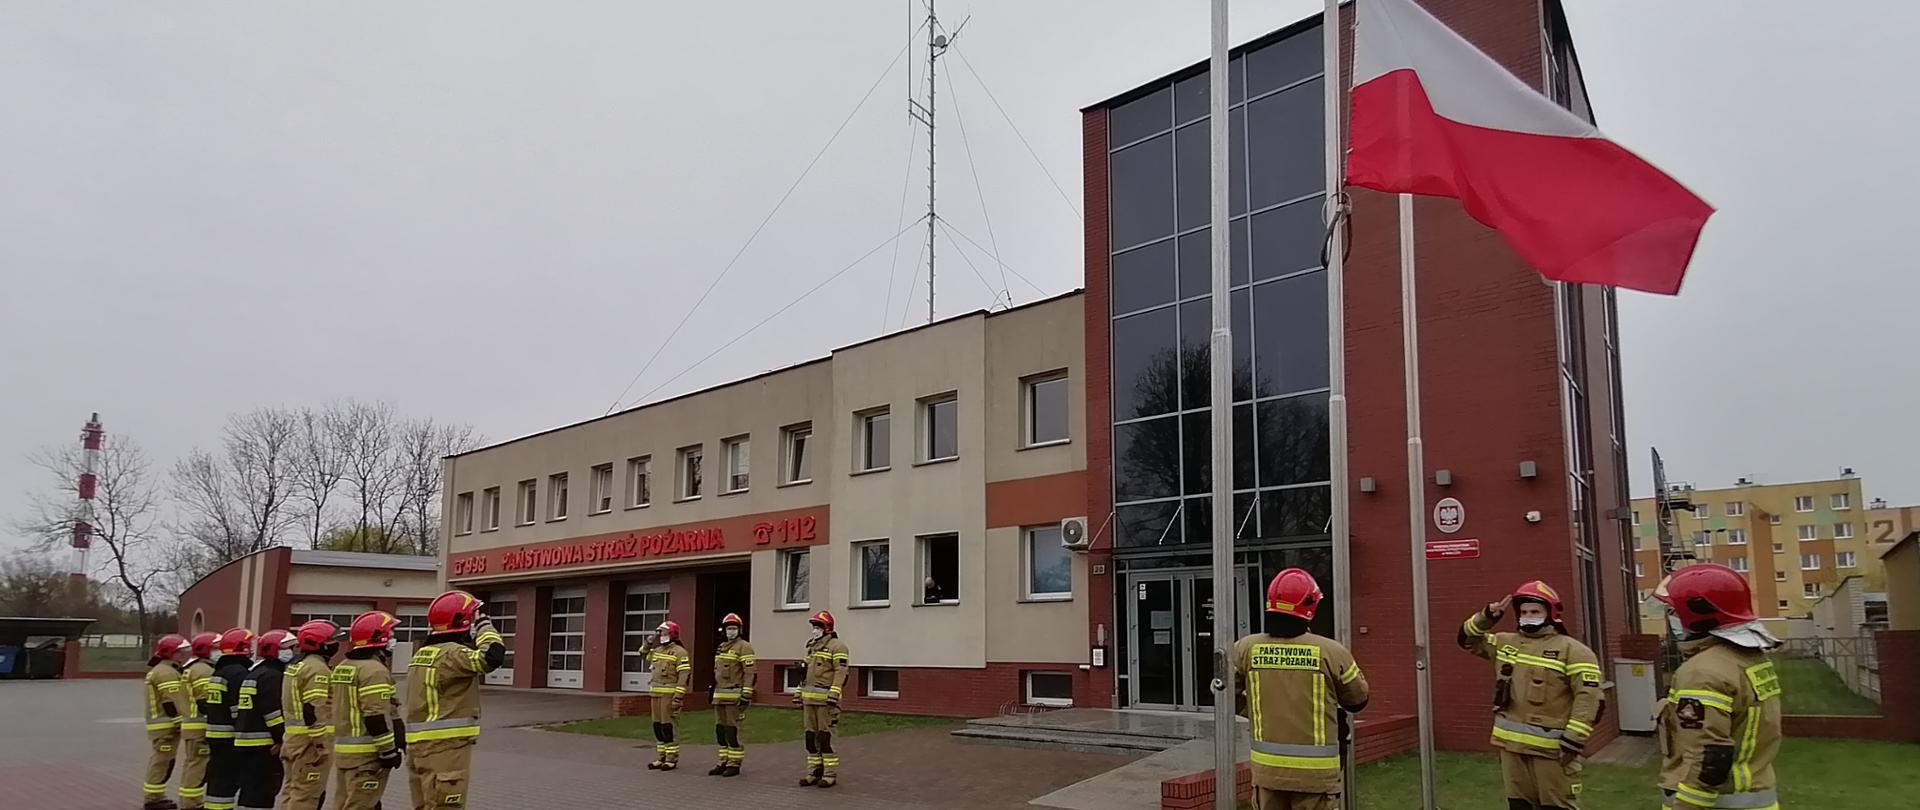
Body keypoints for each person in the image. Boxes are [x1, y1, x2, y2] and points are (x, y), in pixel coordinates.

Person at [1231, 568, 1370, 810]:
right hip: (1315, 778)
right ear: (1310, 607)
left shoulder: (1245, 649)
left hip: (1267, 774)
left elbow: (1223, 695)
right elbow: (1357, 700)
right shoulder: (1332, 652)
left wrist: (1256, 710)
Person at [1458, 581, 1604, 810]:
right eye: (1524, 611)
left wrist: (1572, 741)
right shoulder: (1506, 643)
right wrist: (1487, 616)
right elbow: (1467, 640)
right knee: (1519, 806)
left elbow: (1589, 698)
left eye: (1535, 611)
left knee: (1557, 806)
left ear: (1551, 613)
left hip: (1553, 751)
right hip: (1511, 748)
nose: (1528, 616)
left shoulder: (1574, 651)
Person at [1654, 564, 1782, 810]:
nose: (1673, 620)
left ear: (1697, 613)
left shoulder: (1702, 672)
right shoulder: (1749, 660)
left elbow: (1708, 757)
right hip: (1755, 796)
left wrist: (1687, 806)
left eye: (1674, 612)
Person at [404, 590, 507, 809]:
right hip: (444, 751)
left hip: (420, 748)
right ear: (463, 622)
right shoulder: (452, 654)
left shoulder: (423, 654)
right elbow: (492, 656)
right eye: (473, 618)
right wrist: (485, 626)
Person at [331, 611, 403, 810]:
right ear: (379, 638)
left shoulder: (343, 666)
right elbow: (376, 717)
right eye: (391, 634)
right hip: (368, 756)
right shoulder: (374, 671)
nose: (393, 639)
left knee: (344, 803)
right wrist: (388, 752)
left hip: (346, 754)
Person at [278, 620, 339, 810]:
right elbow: (313, 708)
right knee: (306, 795)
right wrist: (321, 744)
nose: (335, 645)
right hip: (309, 744)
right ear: (318, 643)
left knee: (291, 791)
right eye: (331, 641)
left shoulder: (296, 666)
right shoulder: (317, 668)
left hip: (293, 740)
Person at [233, 629, 293, 810]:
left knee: (250, 788)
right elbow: (273, 712)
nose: (292, 651)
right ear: (275, 649)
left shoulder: (256, 672)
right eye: (289, 647)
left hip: (246, 740)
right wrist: (280, 739)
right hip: (264, 743)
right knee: (263, 790)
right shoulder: (272, 675)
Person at [202, 628, 258, 810]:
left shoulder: (219, 672)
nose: (251, 651)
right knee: (228, 779)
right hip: (229, 736)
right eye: (248, 646)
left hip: (214, 734)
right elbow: (238, 708)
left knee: (218, 779)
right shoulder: (238, 673)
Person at [795, 610, 850, 788]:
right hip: (809, 701)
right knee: (810, 738)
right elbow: (805, 674)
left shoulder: (837, 647)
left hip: (826, 702)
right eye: (813, 627)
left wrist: (834, 694)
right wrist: (798, 692)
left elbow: (841, 673)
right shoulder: (811, 647)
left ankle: (829, 774)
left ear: (827, 628)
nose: (814, 630)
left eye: (818, 627)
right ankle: (814, 771)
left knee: (826, 739)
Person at [141, 634, 192, 810]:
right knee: (162, 763)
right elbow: (170, 701)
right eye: (180, 652)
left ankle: (155, 796)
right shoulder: (166, 672)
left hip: (163, 725)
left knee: (163, 762)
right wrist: (181, 722)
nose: (183, 654)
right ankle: (153, 799)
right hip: (166, 727)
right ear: (172, 653)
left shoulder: (162, 669)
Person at [708, 612, 757, 777]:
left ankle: (734, 763)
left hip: (735, 696)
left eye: (734, 628)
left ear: (739, 630)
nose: (731, 631)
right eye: (729, 628)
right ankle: (723, 760)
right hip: (720, 696)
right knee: (720, 730)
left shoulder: (745, 647)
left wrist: (746, 695)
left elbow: (750, 673)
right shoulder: (721, 647)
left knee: (732, 730)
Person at [177, 632, 221, 810]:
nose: (220, 652)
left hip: (192, 726)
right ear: (207, 650)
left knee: (192, 764)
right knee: (198, 767)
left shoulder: (193, 668)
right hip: (200, 727)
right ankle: (192, 804)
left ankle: (188, 801)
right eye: (217, 648)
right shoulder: (204, 671)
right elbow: (206, 702)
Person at [643, 619, 692, 771]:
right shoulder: (657, 650)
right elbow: (644, 654)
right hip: (656, 694)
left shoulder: (680, 652)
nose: (660, 635)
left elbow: (684, 675)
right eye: (660, 633)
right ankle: (660, 757)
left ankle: (671, 759)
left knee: (668, 727)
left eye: (663, 632)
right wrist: (648, 643)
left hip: (669, 696)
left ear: (672, 634)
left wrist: (678, 696)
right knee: (657, 727)